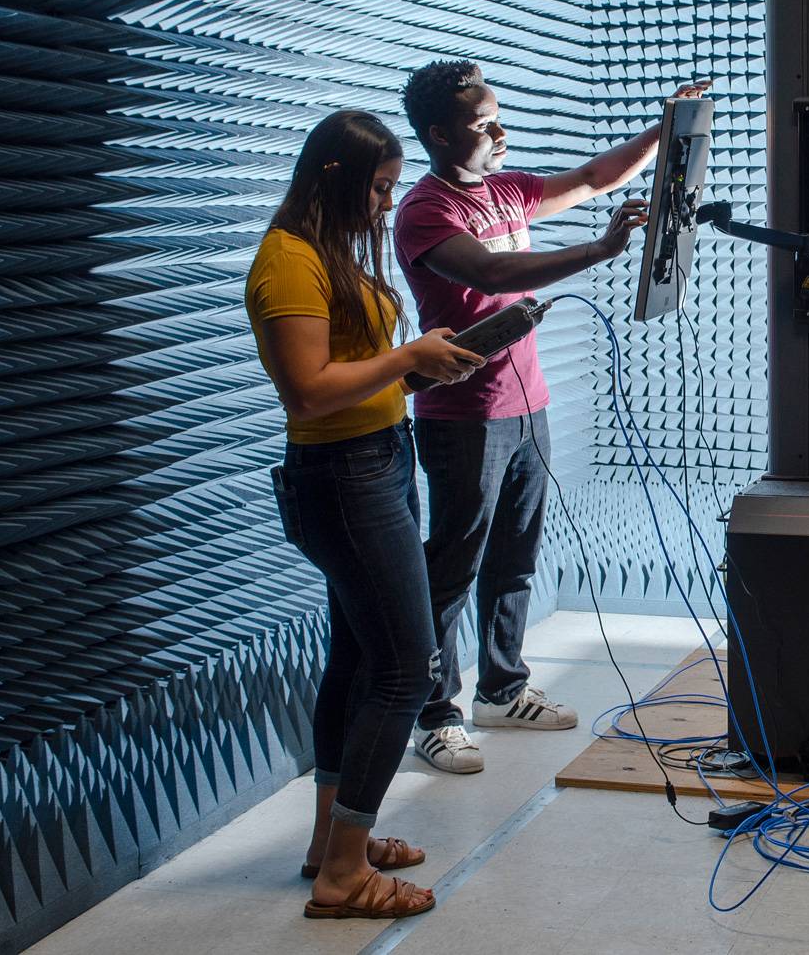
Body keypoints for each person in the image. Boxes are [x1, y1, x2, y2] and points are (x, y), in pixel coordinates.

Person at [393, 60, 711, 774]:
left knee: (514, 558)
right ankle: (434, 712)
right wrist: (600, 251)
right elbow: (492, 275)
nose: (500, 134)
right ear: (440, 135)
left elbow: (595, 179)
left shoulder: (505, 189)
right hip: (463, 414)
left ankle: (502, 690)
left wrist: (664, 132)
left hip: (528, 402)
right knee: (453, 564)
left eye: (498, 117)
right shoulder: (426, 210)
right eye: (483, 126)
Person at [245, 110, 484, 919]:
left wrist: (417, 373)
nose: (388, 204)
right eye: (380, 188)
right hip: (344, 481)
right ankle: (344, 874)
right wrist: (407, 356)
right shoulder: (287, 263)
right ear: (338, 177)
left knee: (355, 661)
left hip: (379, 461)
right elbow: (308, 391)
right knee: (402, 666)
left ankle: (328, 843)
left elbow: (355, 375)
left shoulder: (330, 254)